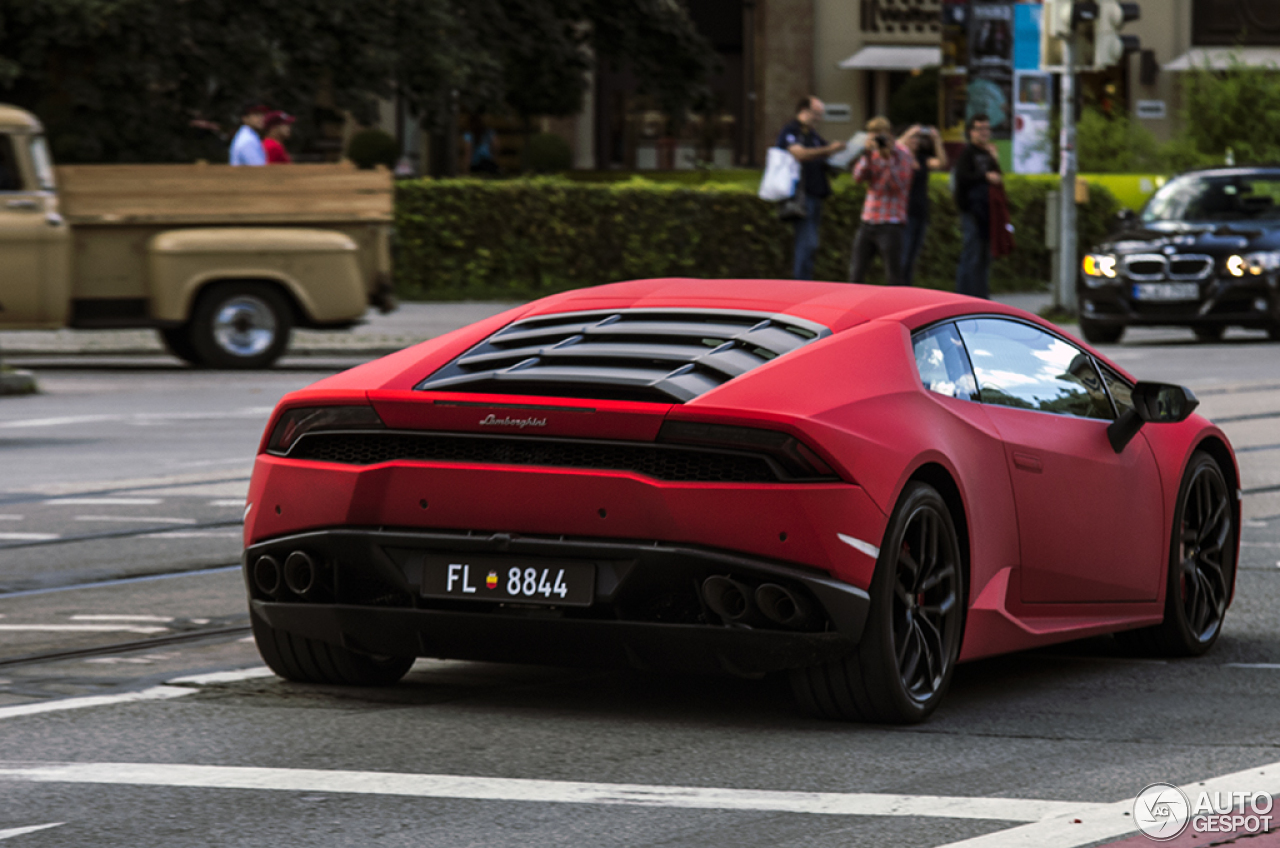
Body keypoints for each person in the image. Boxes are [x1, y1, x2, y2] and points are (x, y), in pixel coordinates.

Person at [776, 97, 847, 280]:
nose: (818, 119)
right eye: (816, 114)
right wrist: (829, 149)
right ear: (803, 110)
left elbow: (825, 155)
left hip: (816, 194)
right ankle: (800, 285)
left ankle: (805, 281)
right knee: (807, 243)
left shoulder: (812, 134)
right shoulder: (792, 130)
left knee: (811, 243)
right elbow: (799, 153)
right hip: (802, 195)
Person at [848, 116, 914, 287]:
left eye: (880, 136)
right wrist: (868, 155)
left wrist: (887, 158)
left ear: (889, 135)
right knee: (856, 274)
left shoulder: (902, 154)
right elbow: (857, 177)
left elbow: (896, 185)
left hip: (890, 223)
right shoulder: (871, 153)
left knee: (894, 277)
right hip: (868, 219)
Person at [953, 113, 1002, 299]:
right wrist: (984, 177)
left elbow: (998, 179)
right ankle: (963, 296)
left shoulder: (987, 153)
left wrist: (994, 158)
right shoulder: (967, 154)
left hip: (988, 213)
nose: (984, 133)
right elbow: (962, 178)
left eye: (986, 129)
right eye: (979, 129)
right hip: (972, 212)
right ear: (970, 132)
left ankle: (981, 297)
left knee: (984, 256)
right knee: (971, 255)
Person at [900, 124, 949, 286]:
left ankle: (907, 288)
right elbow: (893, 147)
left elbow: (942, 162)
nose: (915, 141)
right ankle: (897, 289)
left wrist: (936, 140)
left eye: (918, 138)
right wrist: (909, 132)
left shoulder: (922, 160)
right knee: (903, 257)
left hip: (921, 212)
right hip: (904, 213)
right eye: (913, 138)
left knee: (913, 257)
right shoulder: (899, 159)